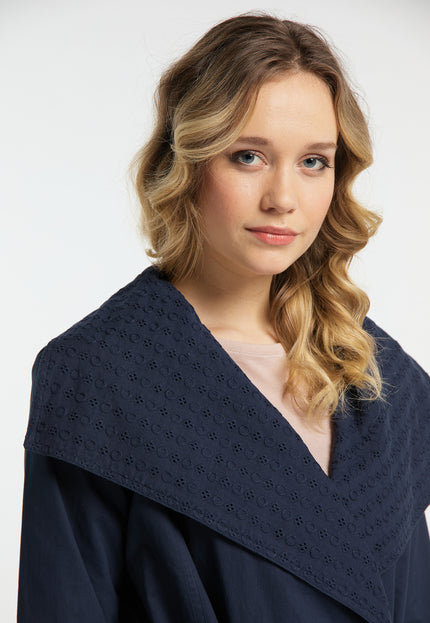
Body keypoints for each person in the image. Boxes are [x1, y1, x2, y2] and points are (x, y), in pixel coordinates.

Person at [18, 13, 430, 623]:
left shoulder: (384, 378)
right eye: (248, 156)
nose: (283, 198)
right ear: (188, 163)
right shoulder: (99, 377)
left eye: (314, 162)